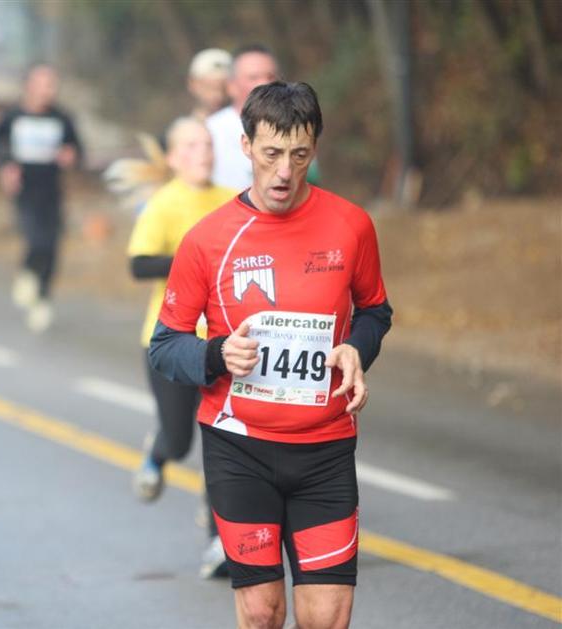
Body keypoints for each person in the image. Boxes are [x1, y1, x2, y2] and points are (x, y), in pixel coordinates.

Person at [149, 82, 393, 629]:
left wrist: (357, 348)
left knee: (325, 617)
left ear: (315, 150)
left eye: (299, 155)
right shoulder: (208, 239)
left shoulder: (351, 225)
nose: (284, 171)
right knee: (262, 613)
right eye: (271, 154)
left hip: (325, 450)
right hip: (240, 450)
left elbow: (376, 311)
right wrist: (217, 354)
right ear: (246, 147)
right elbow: (165, 346)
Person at [126, 117, 236, 578]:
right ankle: (159, 451)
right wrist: (193, 260)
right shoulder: (164, 204)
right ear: (172, 158)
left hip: (222, 344)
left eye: (207, 144)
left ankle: (218, 542)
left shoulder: (233, 200)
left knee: (221, 442)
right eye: (190, 146)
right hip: (170, 341)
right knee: (180, 439)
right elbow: (138, 265)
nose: (202, 153)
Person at [0, 64, 82, 332]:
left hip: (51, 188)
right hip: (24, 188)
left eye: (52, 85)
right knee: (35, 238)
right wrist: (7, 166)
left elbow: (77, 149)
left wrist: (71, 155)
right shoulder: (14, 116)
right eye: (44, 84)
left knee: (52, 244)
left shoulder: (61, 118)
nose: (49, 91)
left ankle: (42, 296)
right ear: (29, 86)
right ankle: (27, 273)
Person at [206, 45, 278, 191]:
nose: (265, 84)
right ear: (231, 86)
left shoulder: (296, 126)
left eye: (270, 77)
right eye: (253, 77)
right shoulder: (211, 131)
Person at [188, 48, 232, 121]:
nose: (218, 96)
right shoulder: (186, 126)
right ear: (193, 84)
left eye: (223, 89)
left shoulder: (243, 124)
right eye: (210, 88)